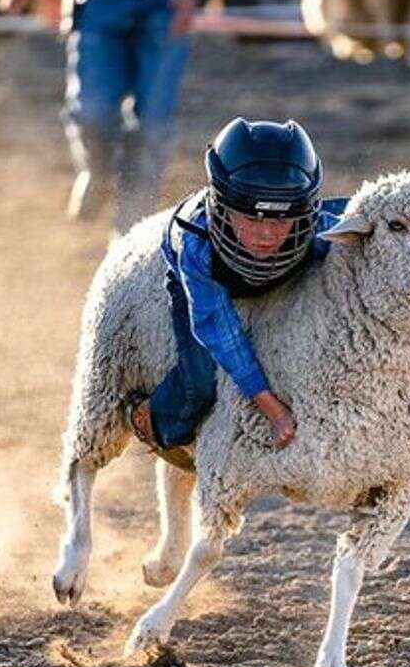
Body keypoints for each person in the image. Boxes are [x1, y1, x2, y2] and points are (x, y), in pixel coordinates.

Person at [0, 0, 235, 236]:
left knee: (153, 123)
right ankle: (97, 171)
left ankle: (129, 232)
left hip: (166, 1)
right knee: (91, 110)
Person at [126, 118, 348, 470]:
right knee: (200, 382)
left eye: (280, 221)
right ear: (221, 205)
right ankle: (150, 417)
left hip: (284, 269)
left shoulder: (320, 229)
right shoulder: (196, 244)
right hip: (211, 279)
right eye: (250, 219)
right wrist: (273, 411)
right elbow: (220, 330)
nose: (264, 234)